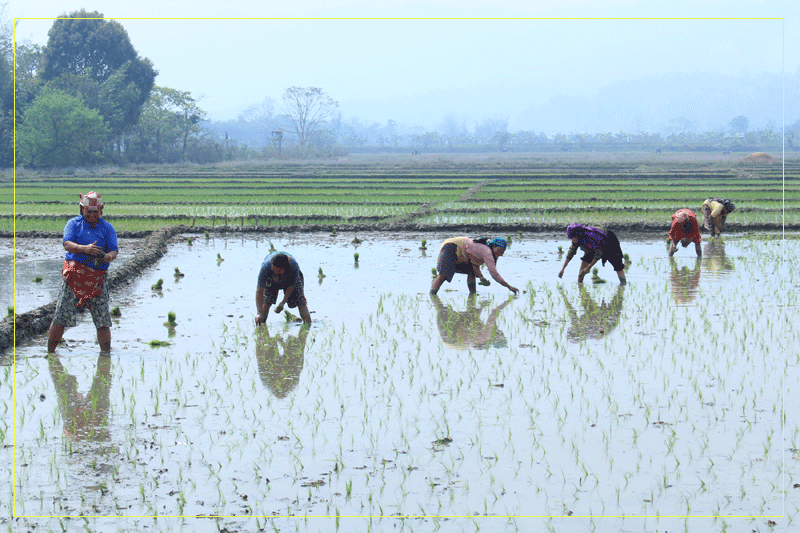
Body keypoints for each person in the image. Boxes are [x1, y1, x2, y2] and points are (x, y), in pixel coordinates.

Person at [48, 191, 118, 353]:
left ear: (101, 211)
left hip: (97, 279)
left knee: (102, 319)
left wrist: (107, 257)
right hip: (74, 277)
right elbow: (67, 244)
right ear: (82, 209)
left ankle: (105, 355)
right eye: (88, 212)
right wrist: (84, 249)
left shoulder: (107, 228)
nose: (92, 215)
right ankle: (50, 353)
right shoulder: (73, 224)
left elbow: (114, 250)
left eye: (95, 212)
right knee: (60, 316)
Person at [430, 237, 519, 295]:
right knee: (443, 275)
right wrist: (509, 287)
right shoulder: (487, 252)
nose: (500, 254)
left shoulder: (486, 251)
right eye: (499, 251)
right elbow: (494, 274)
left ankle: (473, 295)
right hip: (452, 246)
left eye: (502, 253)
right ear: (494, 246)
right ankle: (432, 296)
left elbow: (474, 264)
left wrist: (481, 277)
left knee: (471, 271)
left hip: (461, 252)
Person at [558, 223, 627, 284]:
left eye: (572, 238)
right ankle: (580, 284)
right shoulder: (577, 239)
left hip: (609, 241)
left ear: (577, 236)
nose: (571, 240)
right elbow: (571, 253)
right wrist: (563, 269)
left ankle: (623, 284)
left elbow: (598, 254)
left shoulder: (591, 237)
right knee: (584, 263)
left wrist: (588, 268)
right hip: (591, 247)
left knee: (617, 265)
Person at [255, 251, 311, 325]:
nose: (275, 275)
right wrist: (259, 312)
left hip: (290, 278)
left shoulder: (293, 267)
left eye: (277, 271)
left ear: (283, 269)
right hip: (270, 277)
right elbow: (259, 291)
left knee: (301, 302)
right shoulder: (266, 267)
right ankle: (261, 325)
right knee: (267, 301)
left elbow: (291, 286)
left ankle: (308, 325)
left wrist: (282, 303)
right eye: (273, 271)